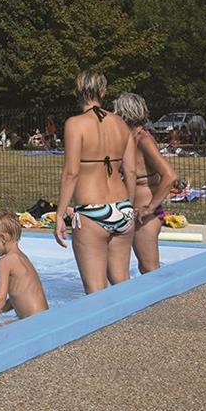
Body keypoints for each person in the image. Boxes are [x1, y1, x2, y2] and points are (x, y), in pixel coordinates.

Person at [54, 71, 138, 294]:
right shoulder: (121, 123)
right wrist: (130, 206)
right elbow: (130, 171)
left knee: (95, 291)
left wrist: (60, 214)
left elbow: (71, 173)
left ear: (78, 92)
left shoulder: (75, 124)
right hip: (123, 207)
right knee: (122, 282)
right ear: (103, 91)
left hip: (92, 212)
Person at [114, 93, 179, 274]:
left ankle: (163, 302)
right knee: (128, 268)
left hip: (145, 216)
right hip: (130, 212)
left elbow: (169, 175)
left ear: (124, 114)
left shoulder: (144, 140)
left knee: (149, 268)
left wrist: (150, 208)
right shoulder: (127, 140)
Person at [0, 210, 48, 326]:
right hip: (42, 317)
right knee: (2, 324)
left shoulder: (5, 262)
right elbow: (16, 297)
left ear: (3, 238)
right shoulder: (22, 257)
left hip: (32, 323)